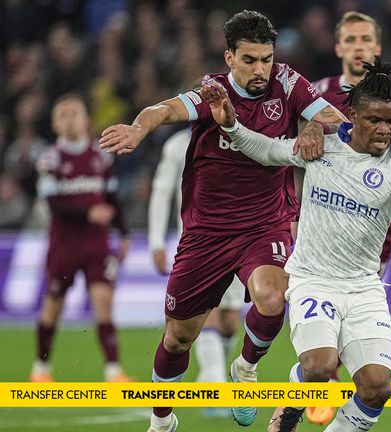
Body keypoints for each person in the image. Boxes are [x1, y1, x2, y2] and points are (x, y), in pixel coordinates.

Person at [98, 10, 346, 432]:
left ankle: (246, 369)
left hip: (266, 223)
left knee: (273, 298)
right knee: (178, 337)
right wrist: (139, 129)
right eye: (250, 60)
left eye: (266, 58)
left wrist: (315, 128)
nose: (260, 69)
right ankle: (161, 420)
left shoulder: (288, 83)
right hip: (206, 234)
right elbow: (161, 110)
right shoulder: (211, 95)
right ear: (229, 58)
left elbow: (337, 121)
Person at [201, 56, 391, 432]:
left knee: (377, 388)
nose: (385, 130)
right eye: (375, 120)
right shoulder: (322, 146)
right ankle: (289, 408)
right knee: (319, 367)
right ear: (352, 113)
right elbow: (267, 150)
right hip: (313, 280)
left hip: (364, 288)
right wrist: (233, 126)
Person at [309, 11, 391, 424]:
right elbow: (291, 153)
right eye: (351, 39)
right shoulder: (318, 92)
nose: (359, 45)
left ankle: (322, 386)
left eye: (366, 38)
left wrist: (363, 164)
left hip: (375, 227)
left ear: (377, 48)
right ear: (338, 47)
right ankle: (312, 383)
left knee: (355, 323)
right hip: (322, 220)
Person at [31, 93, 131, 383]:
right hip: (64, 244)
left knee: (103, 301)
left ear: (86, 120)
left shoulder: (100, 156)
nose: (70, 118)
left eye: (74, 113)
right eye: (63, 114)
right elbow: (53, 204)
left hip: (96, 244)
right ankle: (41, 369)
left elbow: (112, 198)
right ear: (55, 124)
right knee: (54, 303)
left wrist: (123, 233)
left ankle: (113, 372)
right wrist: (89, 212)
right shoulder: (50, 159)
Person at [147, 127, 242, 418]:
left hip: (241, 239)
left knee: (229, 322)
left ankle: (213, 375)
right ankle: (214, 383)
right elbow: (162, 192)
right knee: (206, 310)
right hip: (196, 242)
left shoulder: (239, 136)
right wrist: (155, 241)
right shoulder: (179, 144)